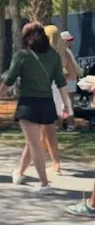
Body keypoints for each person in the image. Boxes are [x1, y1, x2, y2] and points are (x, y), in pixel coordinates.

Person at [0, 21, 71, 193]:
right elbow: (61, 83)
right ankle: (19, 173)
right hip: (46, 103)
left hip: (29, 104)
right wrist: (67, 105)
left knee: (34, 144)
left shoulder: (22, 55)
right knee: (33, 141)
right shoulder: (54, 55)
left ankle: (44, 184)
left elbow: (8, 80)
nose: (33, 38)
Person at [41, 25, 72, 171]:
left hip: (46, 91)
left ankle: (54, 161)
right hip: (60, 91)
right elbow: (72, 74)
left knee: (46, 129)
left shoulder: (43, 53)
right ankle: (41, 158)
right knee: (46, 128)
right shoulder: (64, 53)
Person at [60, 30, 82, 131]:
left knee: (68, 103)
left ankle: (67, 123)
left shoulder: (67, 51)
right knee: (68, 103)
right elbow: (63, 67)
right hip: (67, 81)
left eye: (71, 40)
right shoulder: (64, 51)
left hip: (70, 80)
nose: (70, 42)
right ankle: (70, 124)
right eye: (68, 40)